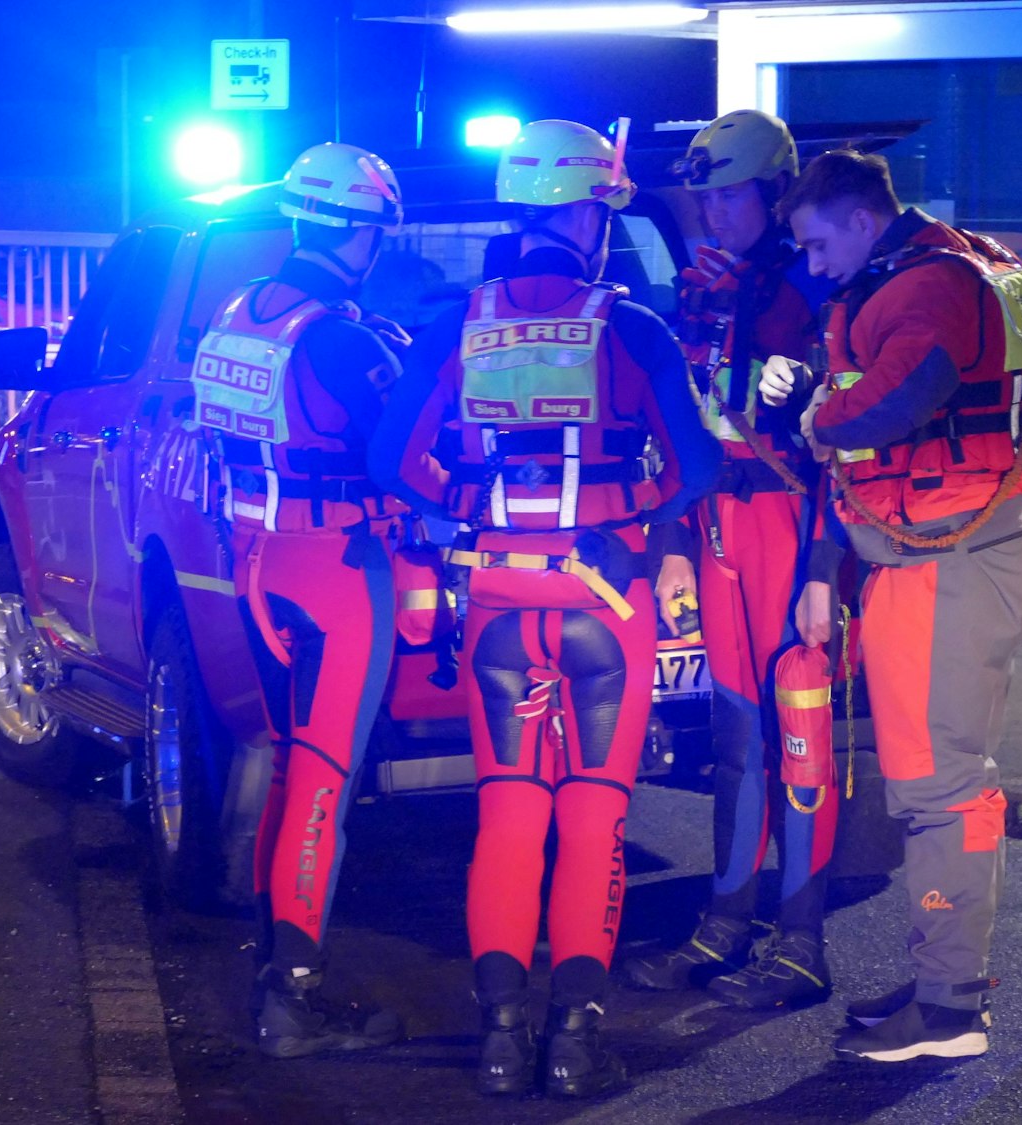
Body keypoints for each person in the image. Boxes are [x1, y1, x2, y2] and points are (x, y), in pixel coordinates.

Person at [370, 118, 720, 1098]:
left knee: (508, 814)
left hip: (495, 599)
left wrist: (464, 509)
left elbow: (388, 459)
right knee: (594, 818)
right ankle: (571, 1041)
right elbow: (698, 467)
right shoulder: (633, 327)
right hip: (602, 599)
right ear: (586, 216)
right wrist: (628, 513)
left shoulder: (455, 324)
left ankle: (498, 1038)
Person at [767, 149, 1022, 1063]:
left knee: (941, 790)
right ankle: (945, 977)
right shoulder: (951, 263)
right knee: (944, 784)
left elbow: (895, 398)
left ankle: (947, 1009)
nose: (813, 264)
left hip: (949, 566)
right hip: (950, 558)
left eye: (819, 244)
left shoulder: (926, 285)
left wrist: (813, 415)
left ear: (863, 219)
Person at [192, 141, 409, 1059]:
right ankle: (293, 998)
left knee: (287, 765)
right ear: (361, 232)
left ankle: (273, 967)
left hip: (255, 564)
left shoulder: (237, 312)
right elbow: (407, 450)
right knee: (324, 780)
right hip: (335, 572)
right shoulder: (340, 338)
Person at [622, 109, 843, 1010]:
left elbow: (844, 442)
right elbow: (677, 434)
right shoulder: (705, 290)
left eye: (728, 195)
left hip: (792, 522)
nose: (713, 212)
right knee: (734, 737)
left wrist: (824, 567)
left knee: (801, 733)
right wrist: (674, 543)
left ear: (775, 191)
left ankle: (802, 944)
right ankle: (725, 924)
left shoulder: (817, 286)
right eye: (704, 198)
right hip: (719, 527)